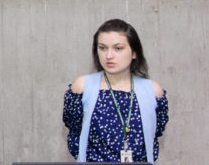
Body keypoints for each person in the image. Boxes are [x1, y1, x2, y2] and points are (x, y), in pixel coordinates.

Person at [63, 19, 168, 163]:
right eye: (102, 48)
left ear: (134, 53)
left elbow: (155, 132)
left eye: (118, 48)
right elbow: (75, 131)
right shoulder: (82, 87)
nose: (109, 56)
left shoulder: (153, 91)